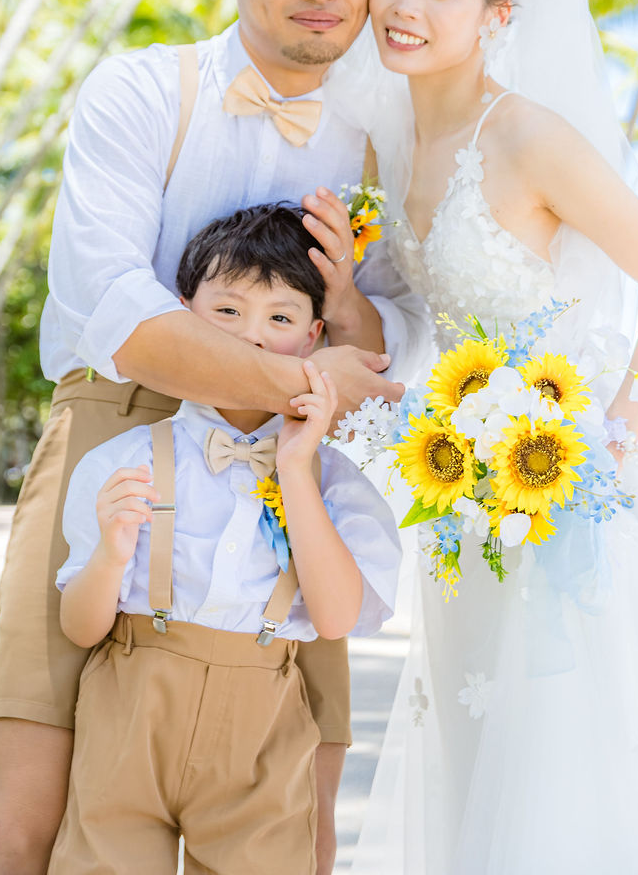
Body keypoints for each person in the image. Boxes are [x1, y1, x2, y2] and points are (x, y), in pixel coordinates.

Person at [0, 0, 427, 875]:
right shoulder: (142, 90)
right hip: (115, 431)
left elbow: (397, 336)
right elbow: (118, 311)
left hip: (297, 466)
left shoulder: (388, 142)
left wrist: (343, 335)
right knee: (28, 824)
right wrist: (310, 374)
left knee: (297, 837)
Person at [329, 0, 638, 873]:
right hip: (461, 506)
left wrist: (611, 439)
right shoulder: (386, 140)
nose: (404, 4)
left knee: (569, 789)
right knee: (478, 767)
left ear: (498, 15)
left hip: (564, 503)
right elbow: (405, 327)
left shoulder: (529, 137)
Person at [46, 203, 402, 875]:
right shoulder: (126, 461)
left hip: (263, 722)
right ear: (184, 315)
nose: (252, 336)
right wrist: (112, 555)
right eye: (228, 311)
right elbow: (81, 626)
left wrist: (295, 468)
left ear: (314, 336)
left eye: (280, 318)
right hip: (130, 709)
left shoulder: (337, 483)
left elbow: (336, 620)